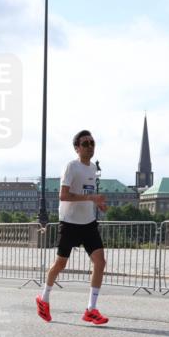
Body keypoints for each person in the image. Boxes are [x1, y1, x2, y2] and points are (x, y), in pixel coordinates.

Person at [36, 130, 109, 325]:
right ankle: (44, 298)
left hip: (88, 223)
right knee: (60, 264)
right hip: (69, 222)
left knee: (100, 262)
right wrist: (91, 198)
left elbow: (88, 193)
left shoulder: (93, 168)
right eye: (85, 143)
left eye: (92, 142)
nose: (90, 146)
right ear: (77, 148)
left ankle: (91, 309)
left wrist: (97, 203)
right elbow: (63, 195)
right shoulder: (71, 166)